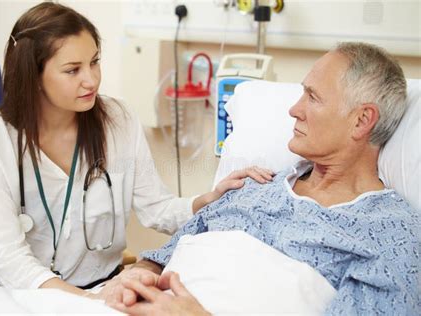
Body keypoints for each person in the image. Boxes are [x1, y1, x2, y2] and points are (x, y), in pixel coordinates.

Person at [0, 2, 273, 297]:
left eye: (95, 62)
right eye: (73, 70)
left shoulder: (118, 119)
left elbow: (156, 210)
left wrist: (207, 199)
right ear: (34, 76)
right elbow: (10, 258)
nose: (92, 80)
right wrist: (82, 302)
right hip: (18, 292)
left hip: (102, 285)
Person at [102, 42, 420, 315]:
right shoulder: (254, 185)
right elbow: (159, 259)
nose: (294, 110)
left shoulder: (389, 235)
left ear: (362, 120)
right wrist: (135, 277)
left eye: (313, 97)